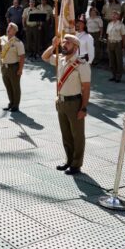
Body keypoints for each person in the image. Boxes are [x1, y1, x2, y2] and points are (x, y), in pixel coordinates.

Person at [42, 34, 91, 175]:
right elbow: (44, 57)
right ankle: (68, 160)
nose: (64, 45)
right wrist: (53, 45)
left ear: (75, 47)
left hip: (75, 103)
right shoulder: (61, 60)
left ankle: (76, 164)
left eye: (68, 43)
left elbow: (86, 88)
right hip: (62, 102)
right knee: (66, 134)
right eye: (63, 42)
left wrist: (83, 107)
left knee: (77, 135)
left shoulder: (82, 64)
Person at [0, 22, 25, 112]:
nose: (8, 29)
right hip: (4, 66)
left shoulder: (18, 42)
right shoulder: (3, 38)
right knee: (8, 86)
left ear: (15, 31)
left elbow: (22, 57)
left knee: (15, 87)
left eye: (10, 28)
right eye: (8, 27)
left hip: (14, 67)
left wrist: (20, 69)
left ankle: (16, 105)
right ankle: (11, 103)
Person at [106, 10, 125, 82]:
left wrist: (123, 47)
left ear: (118, 16)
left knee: (118, 60)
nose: (114, 16)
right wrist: (108, 45)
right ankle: (113, 75)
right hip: (110, 42)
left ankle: (118, 76)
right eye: (113, 15)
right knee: (112, 61)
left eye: (116, 15)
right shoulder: (109, 24)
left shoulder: (121, 25)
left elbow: (123, 36)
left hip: (118, 43)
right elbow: (108, 35)